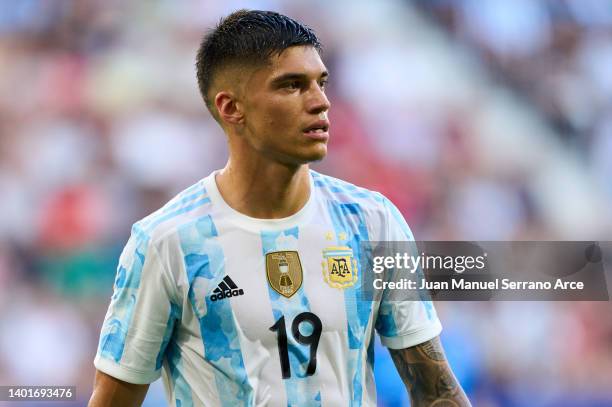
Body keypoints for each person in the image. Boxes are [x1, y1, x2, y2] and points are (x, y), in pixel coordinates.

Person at [88, 9, 470, 407]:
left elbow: (436, 390)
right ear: (231, 107)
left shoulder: (373, 222)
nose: (320, 103)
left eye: (321, 83)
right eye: (291, 86)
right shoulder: (167, 241)